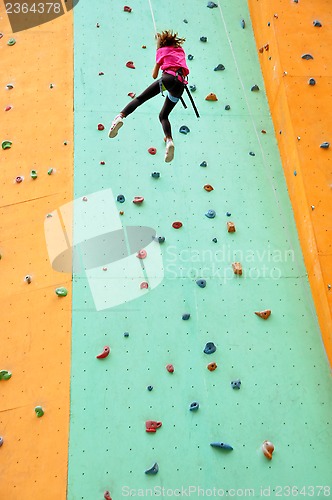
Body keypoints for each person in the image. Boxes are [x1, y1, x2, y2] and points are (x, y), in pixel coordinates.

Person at [108, 30, 189, 163]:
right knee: (163, 116)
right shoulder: (180, 51)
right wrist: (160, 45)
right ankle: (169, 140)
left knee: (140, 99)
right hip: (180, 85)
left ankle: (120, 117)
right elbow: (172, 51)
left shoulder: (161, 51)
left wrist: (158, 48)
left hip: (167, 80)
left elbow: (154, 75)